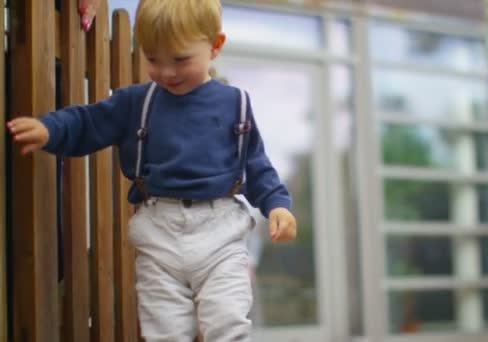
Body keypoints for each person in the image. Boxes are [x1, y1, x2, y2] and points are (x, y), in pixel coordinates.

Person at [7, 0, 298, 341]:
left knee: (228, 323)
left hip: (221, 233)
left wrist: (278, 204)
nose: (167, 72)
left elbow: (256, 164)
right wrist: (49, 130)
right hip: (159, 235)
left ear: (215, 46)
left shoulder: (235, 104)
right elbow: (89, 121)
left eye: (180, 59)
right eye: (152, 59)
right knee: (164, 331)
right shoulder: (136, 102)